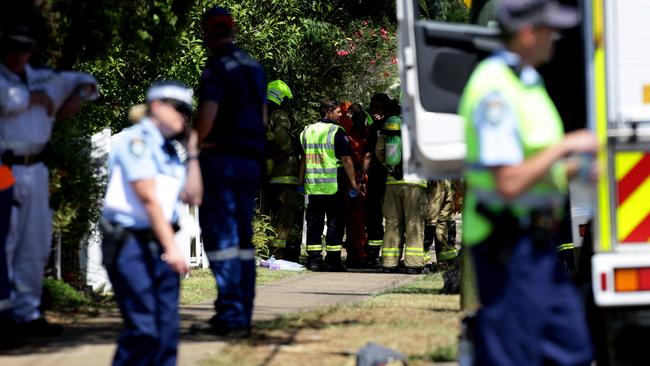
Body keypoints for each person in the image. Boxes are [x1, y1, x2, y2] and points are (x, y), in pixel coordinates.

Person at [459, 0, 597, 364]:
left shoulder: (528, 83)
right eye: (549, 29)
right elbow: (508, 180)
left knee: (572, 347)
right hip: (506, 243)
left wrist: (579, 170)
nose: (556, 36)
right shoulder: (496, 90)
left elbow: (533, 163)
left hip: (534, 242)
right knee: (514, 354)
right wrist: (569, 145)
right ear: (527, 34)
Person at [0, 22, 98, 335]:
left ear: (32, 52)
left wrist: (72, 101)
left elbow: (87, 83)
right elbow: (7, 101)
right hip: (4, 166)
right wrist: (35, 99)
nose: (19, 56)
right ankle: (5, 309)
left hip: (36, 167)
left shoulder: (43, 77)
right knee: (6, 238)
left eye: (25, 50)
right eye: (13, 49)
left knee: (35, 240)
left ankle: (27, 314)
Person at [102, 80, 200, 366]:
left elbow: (193, 195)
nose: (184, 116)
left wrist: (192, 152)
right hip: (129, 243)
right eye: (178, 109)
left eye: (187, 111)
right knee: (143, 327)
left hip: (158, 242)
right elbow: (148, 199)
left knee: (167, 330)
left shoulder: (171, 151)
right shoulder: (137, 142)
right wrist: (173, 247)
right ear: (156, 107)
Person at [193, 6, 267, 337]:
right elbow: (263, 117)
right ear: (233, 29)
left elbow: (208, 115)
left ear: (206, 34)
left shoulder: (217, 67)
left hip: (221, 159)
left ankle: (230, 314)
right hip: (250, 159)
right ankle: (242, 314)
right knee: (242, 240)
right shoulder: (253, 67)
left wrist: (193, 147)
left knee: (221, 238)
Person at [298, 100, 361, 272]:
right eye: (338, 112)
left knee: (314, 223)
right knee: (335, 223)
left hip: (313, 186)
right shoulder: (336, 132)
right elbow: (346, 159)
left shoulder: (307, 131)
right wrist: (354, 183)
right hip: (334, 185)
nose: (341, 115)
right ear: (329, 112)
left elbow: (303, 158)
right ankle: (333, 260)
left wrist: (300, 181)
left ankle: (314, 260)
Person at [375, 115, 428, 274]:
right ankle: (413, 264)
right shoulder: (422, 124)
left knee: (392, 223)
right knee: (414, 222)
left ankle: (389, 264)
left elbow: (379, 151)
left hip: (393, 183)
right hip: (415, 184)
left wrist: (389, 166)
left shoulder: (391, 125)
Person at [265, 80, 302, 262]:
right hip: (283, 175)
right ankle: (278, 254)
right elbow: (281, 136)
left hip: (264, 174)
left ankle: (266, 250)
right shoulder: (279, 114)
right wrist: (290, 148)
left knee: (269, 214)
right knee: (285, 217)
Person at [339, 102, 372, 268]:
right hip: (360, 178)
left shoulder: (346, 132)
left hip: (348, 179)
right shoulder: (365, 132)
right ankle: (358, 254)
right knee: (358, 220)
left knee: (350, 219)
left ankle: (355, 254)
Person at [363, 93, 391, 268]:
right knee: (374, 217)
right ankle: (374, 254)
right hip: (379, 178)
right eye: (372, 107)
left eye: (378, 107)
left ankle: (383, 255)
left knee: (388, 218)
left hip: (386, 179)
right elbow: (368, 154)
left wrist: (360, 175)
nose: (374, 111)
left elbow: (368, 155)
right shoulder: (374, 127)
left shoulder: (380, 127)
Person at [424, 179, 458, 268]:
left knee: (440, 222)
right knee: (437, 222)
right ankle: (443, 262)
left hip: (442, 184)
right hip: (440, 183)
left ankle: (444, 262)